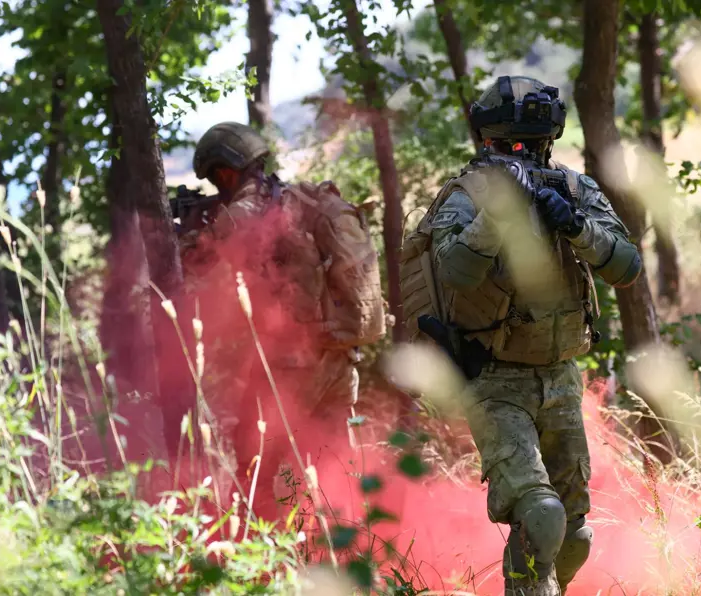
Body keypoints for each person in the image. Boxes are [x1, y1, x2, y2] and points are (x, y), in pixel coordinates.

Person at [404, 76, 642, 595]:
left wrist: (576, 226)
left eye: (530, 145)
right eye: (511, 145)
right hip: (494, 379)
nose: (522, 155)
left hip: (560, 378)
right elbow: (456, 272)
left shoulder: (573, 188)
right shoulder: (467, 195)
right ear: (488, 141)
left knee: (574, 536)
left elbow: (627, 266)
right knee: (541, 514)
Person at [177, 121, 386, 517]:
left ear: (225, 172)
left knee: (255, 467)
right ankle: (348, 544)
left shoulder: (243, 213)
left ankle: (257, 547)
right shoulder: (296, 201)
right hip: (339, 356)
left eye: (216, 178)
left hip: (291, 365)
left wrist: (186, 233)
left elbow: (194, 266)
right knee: (336, 466)